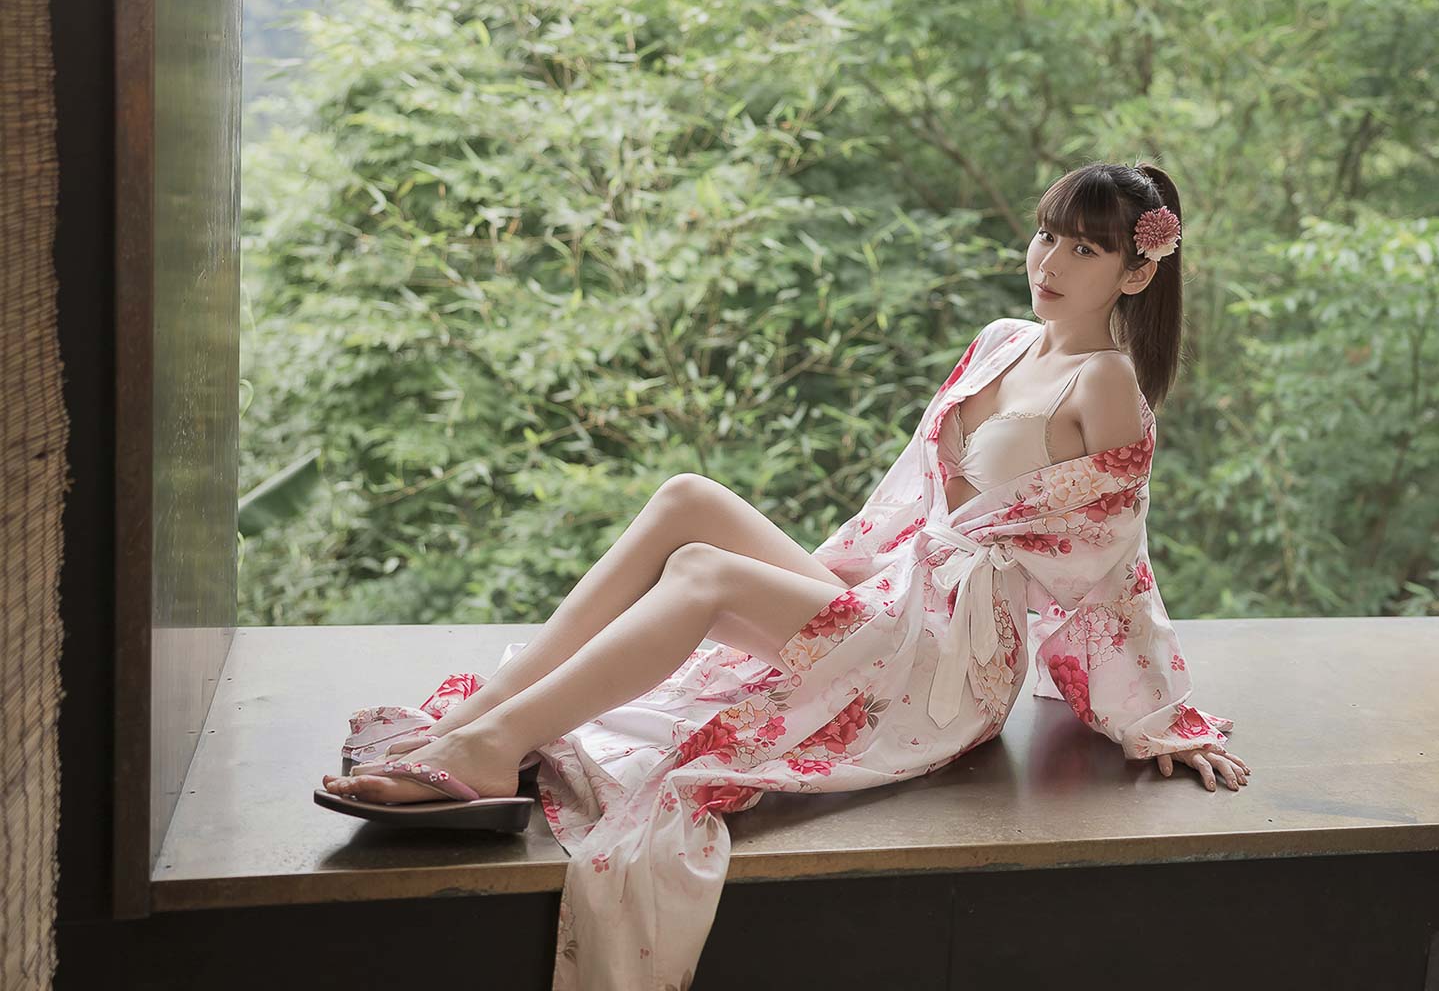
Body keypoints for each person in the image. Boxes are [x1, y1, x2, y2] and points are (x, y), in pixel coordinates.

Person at [319, 159, 1246, 991]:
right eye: (1047, 234)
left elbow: (1114, 568)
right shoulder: (1003, 339)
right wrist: (847, 575)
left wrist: (1158, 718)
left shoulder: (1105, 384)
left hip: (953, 654)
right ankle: (480, 718)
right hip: (902, 590)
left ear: (1135, 273)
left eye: (1085, 249)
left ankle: (490, 749)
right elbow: (912, 498)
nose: (1049, 261)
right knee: (687, 500)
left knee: (705, 575)